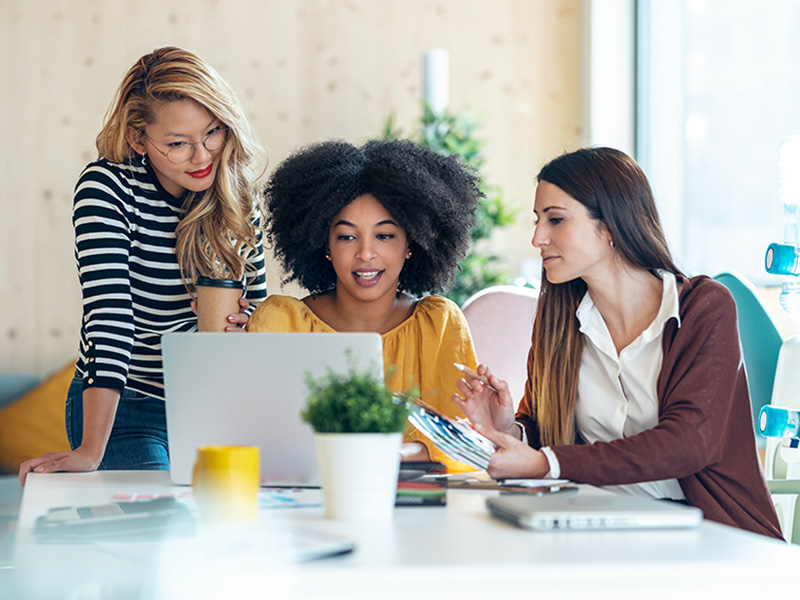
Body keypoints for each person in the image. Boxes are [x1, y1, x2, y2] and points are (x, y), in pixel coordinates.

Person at [452, 147, 782, 538]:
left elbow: (690, 442)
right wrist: (509, 429)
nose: (538, 237)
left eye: (556, 220)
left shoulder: (703, 308)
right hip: (597, 526)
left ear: (610, 225)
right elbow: (549, 439)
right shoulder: (558, 323)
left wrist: (546, 464)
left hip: (712, 535)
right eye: (538, 221)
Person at [19, 47, 266, 485]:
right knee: (158, 536)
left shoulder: (238, 199)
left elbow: (262, 320)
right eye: (176, 144)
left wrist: (246, 326)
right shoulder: (108, 188)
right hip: (129, 404)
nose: (202, 154)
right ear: (138, 139)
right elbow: (109, 318)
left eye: (212, 132)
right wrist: (91, 450)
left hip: (212, 406)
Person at [247, 139, 481, 472]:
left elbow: (463, 448)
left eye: (384, 236)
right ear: (324, 245)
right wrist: (403, 452)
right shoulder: (282, 322)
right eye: (346, 236)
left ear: (411, 244)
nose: (365, 254)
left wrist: (378, 457)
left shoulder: (439, 325)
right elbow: (255, 438)